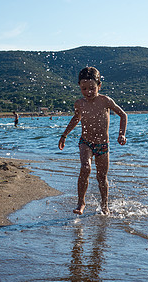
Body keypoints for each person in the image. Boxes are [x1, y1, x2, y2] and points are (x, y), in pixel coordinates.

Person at [58, 67, 127, 215]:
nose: (88, 92)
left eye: (92, 88)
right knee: (85, 168)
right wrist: (64, 135)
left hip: (103, 144)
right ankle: (81, 202)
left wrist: (121, 134)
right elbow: (76, 119)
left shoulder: (105, 101)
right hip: (86, 142)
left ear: (99, 86)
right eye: (84, 88)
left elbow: (123, 115)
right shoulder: (79, 104)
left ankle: (104, 205)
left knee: (102, 177)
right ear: (79, 86)